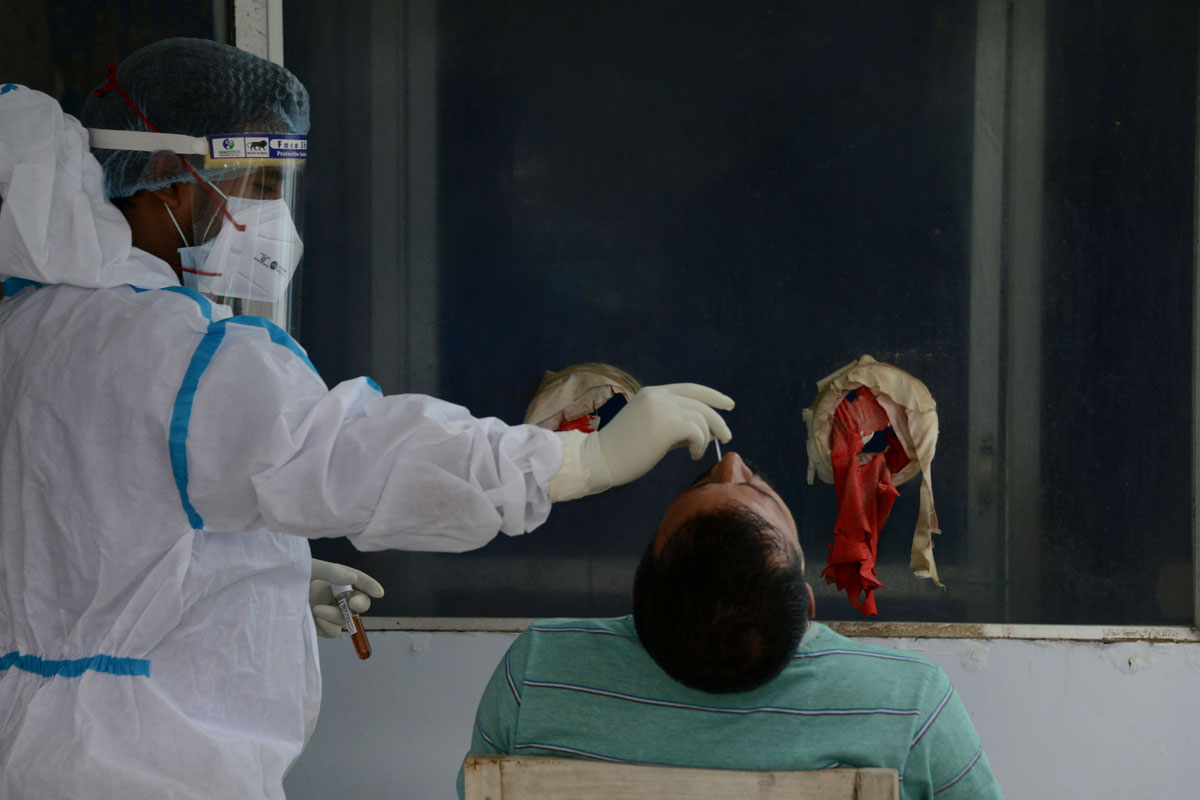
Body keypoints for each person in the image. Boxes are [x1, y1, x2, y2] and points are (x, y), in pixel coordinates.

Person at [0, 39, 732, 800]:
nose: (269, 211)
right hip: (137, 769)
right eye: (251, 182)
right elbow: (355, 454)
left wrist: (249, 574)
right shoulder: (177, 353)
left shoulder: (29, 325)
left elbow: (75, 543)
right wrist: (579, 463)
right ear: (167, 179)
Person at [459, 451, 1004, 800]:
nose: (733, 461)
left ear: (636, 598)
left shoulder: (539, 673)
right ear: (806, 607)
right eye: (760, 492)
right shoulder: (908, 702)